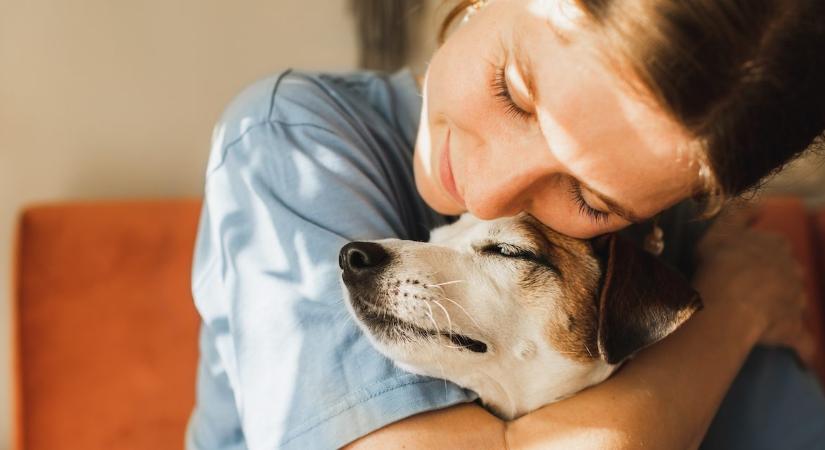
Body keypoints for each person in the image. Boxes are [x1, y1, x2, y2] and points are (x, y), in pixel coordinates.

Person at [185, 0, 825, 448]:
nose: (487, 196)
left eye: (590, 197)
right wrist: (730, 315)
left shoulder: (660, 241)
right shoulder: (291, 141)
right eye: (514, 93)